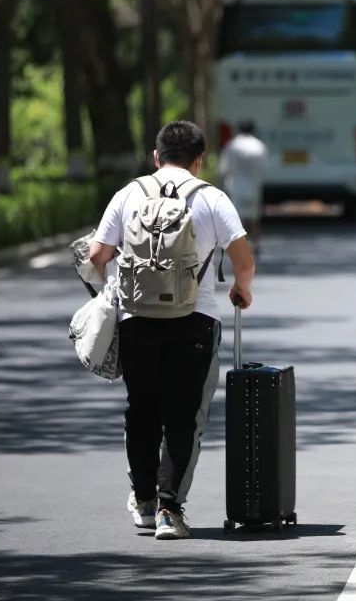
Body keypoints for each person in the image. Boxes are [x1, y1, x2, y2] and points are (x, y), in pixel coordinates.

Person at [88, 120, 255, 541]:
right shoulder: (212, 197)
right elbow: (243, 259)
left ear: (156, 156)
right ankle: (168, 510)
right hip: (195, 320)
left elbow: (97, 254)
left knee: (142, 410)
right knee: (185, 416)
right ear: (200, 161)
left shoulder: (130, 193)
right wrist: (241, 289)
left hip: (137, 319)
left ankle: (143, 500)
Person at [219, 119, 268, 253]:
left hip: (236, 186)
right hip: (253, 187)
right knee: (254, 217)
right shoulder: (259, 146)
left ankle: (240, 246)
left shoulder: (232, 146)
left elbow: (223, 167)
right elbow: (264, 168)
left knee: (237, 218)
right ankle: (255, 244)